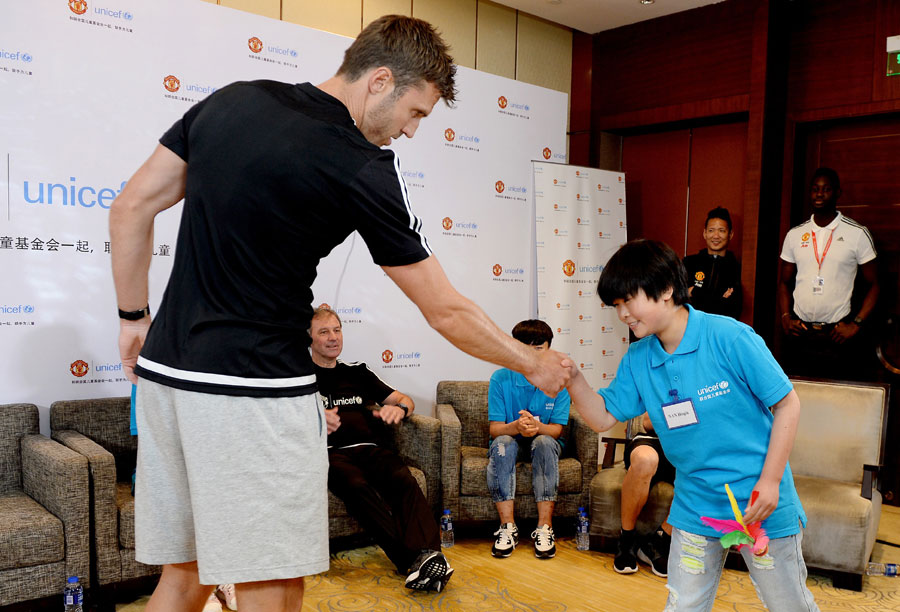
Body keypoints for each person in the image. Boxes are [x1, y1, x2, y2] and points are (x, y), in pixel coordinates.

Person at [110, 15, 571, 612]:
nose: (409, 132)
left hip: (167, 378)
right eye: (415, 114)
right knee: (270, 583)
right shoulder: (362, 164)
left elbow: (129, 208)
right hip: (255, 388)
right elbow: (445, 310)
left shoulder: (232, 102)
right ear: (380, 80)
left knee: (186, 574)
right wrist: (529, 361)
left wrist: (132, 319)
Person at [566, 239, 818, 612]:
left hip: (758, 504)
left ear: (666, 290)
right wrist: (573, 379)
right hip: (695, 505)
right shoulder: (638, 358)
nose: (622, 314)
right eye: (615, 306)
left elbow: (787, 404)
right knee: (684, 606)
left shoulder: (730, 337)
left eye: (627, 301)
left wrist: (769, 482)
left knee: (789, 605)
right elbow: (603, 415)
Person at [312, 306, 452, 591]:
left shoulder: (358, 372)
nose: (333, 337)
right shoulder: (300, 378)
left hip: (371, 449)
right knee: (356, 485)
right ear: (310, 339)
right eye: (323, 332)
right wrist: (311, 419)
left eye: (337, 330)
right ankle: (414, 561)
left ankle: (429, 555)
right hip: (331, 453)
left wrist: (399, 410)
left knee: (403, 478)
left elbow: (404, 399)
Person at [778, 167, 879, 380]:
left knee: (836, 401)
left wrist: (856, 324)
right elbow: (784, 282)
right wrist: (786, 318)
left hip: (837, 336)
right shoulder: (795, 235)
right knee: (798, 400)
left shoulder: (857, 233)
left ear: (838, 193)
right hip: (800, 334)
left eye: (826, 189)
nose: (819, 194)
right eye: (815, 189)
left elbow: (875, 284)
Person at [487, 320, 570, 560]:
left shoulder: (558, 382)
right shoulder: (501, 378)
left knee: (544, 443)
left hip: (543, 441)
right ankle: (507, 528)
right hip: (510, 439)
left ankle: (545, 528)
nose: (531, 355)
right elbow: (495, 429)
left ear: (549, 350)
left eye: (539, 348)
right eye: (525, 348)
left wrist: (537, 427)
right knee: (503, 443)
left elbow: (555, 431)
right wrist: (516, 426)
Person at [614, 412, 674, 577]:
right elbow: (647, 423)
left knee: (709, 474)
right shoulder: (667, 385)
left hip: (691, 449)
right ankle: (626, 539)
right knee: (645, 460)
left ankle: (658, 540)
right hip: (653, 442)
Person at [682, 207, 741, 319]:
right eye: (711, 230)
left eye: (721, 231)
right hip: (690, 326)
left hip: (721, 330)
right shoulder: (689, 263)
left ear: (730, 234)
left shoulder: (736, 268)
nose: (716, 236)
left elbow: (734, 307)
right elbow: (677, 297)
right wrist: (720, 296)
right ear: (704, 233)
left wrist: (695, 292)